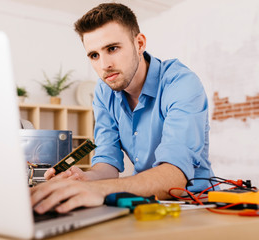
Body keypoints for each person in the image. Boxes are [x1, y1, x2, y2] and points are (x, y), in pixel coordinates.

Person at [31, 3, 216, 214]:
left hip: (197, 205)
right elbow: (106, 162)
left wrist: (97, 189)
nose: (104, 65)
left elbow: (174, 176)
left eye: (112, 48)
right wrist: (84, 179)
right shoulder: (104, 91)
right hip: (148, 203)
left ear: (139, 44)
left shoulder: (181, 83)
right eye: (94, 55)